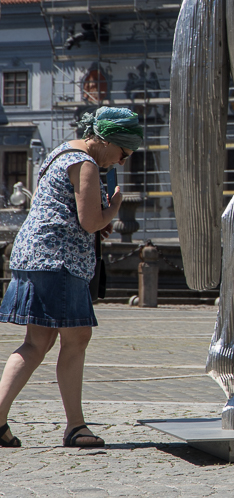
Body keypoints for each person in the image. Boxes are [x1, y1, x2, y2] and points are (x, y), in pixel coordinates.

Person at [0, 107, 142, 448]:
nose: (122, 162)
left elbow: (67, 209)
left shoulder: (60, 151)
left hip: (35, 255)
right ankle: (75, 427)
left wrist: (96, 216)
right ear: (106, 141)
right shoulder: (87, 163)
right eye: (123, 153)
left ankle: (6, 419)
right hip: (58, 261)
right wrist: (114, 208)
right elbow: (90, 222)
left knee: (38, 343)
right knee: (74, 338)